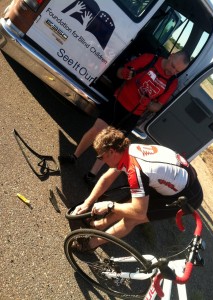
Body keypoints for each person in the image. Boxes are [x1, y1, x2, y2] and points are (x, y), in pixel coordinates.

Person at [58, 50, 190, 183]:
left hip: (133, 114)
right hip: (118, 102)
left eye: (177, 71)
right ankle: (74, 157)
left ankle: (91, 175)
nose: (172, 71)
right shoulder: (149, 59)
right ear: (171, 56)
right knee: (97, 130)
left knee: (112, 146)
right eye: (173, 66)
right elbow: (120, 72)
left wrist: (148, 103)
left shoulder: (172, 82)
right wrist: (125, 74)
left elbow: (157, 106)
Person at [72, 126, 203, 252]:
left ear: (111, 151)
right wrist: (87, 203)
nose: (100, 160)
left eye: (101, 157)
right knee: (128, 205)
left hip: (188, 196)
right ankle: (100, 225)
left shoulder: (136, 170)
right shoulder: (127, 149)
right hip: (175, 178)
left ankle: (91, 243)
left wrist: (109, 205)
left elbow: (138, 212)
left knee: (132, 217)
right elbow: (107, 178)